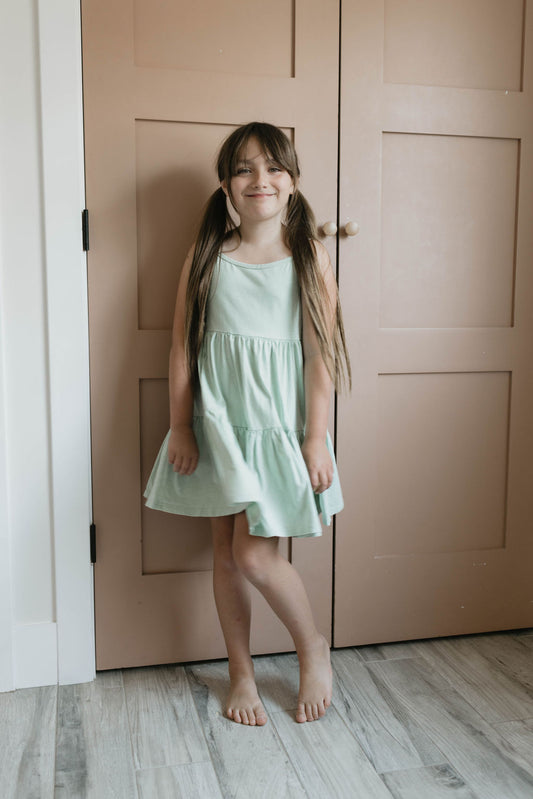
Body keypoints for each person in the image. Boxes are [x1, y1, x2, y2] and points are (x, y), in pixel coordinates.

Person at [144, 122, 351, 726]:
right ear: (228, 188)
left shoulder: (309, 256)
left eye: (272, 167)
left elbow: (321, 356)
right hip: (220, 425)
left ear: (290, 181)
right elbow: (183, 347)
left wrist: (315, 438)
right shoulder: (207, 254)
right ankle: (241, 672)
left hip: (278, 428)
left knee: (255, 556)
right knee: (225, 553)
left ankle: (312, 645)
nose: (259, 179)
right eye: (243, 169)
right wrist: (180, 426)